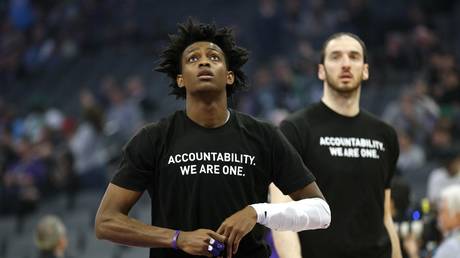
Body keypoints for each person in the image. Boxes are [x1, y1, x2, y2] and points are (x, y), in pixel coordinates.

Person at [94, 19, 331, 258]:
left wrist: (256, 213)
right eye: (193, 59)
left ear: (229, 76)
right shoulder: (153, 138)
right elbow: (105, 222)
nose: (204, 61)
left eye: (214, 57)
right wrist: (178, 238)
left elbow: (321, 212)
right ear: (180, 79)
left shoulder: (264, 136)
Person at [271, 33, 402, 258]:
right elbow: (282, 214)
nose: (345, 64)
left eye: (353, 56)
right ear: (321, 70)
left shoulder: (385, 135)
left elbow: (385, 216)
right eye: (335, 57)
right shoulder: (295, 129)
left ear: (366, 70)